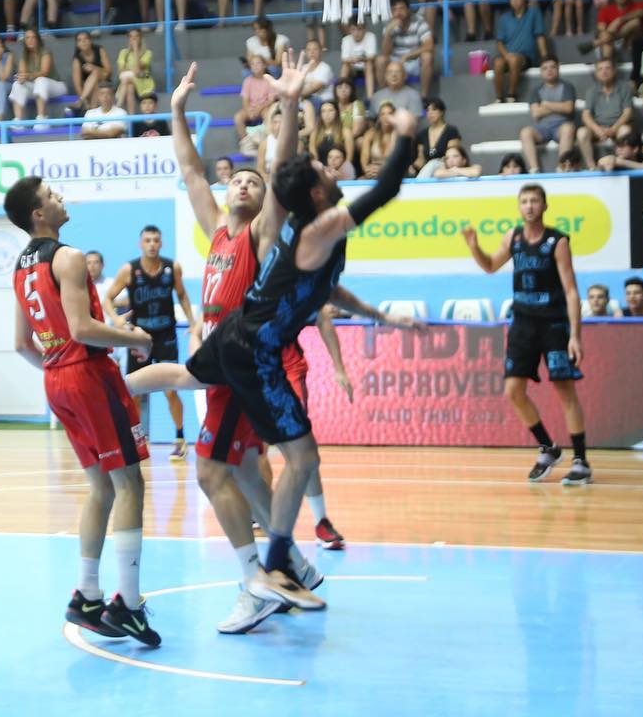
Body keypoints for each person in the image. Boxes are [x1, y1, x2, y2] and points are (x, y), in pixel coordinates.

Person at [124, 94, 422, 612]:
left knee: (237, 454)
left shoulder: (282, 231)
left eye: (254, 182)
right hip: (248, 347)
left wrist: (381, 316)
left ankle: (283, 564)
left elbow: (325, 286)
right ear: (315, 192)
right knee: (250, 462)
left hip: (240, 337)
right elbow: (383, 188)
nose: (331, 169)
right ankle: (271, 570)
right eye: (322, 170)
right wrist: (407, 134)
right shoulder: (304, 228)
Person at [167, 59, 357, 633]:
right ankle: (291, 562)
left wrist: (290, 105)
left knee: (211, 474)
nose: (245, 184)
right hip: (222, 359)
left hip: (242, 360)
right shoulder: (217, 230)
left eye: (253, 182)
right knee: (249, 471)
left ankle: (258, 581)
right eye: (237, 180)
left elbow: (280, 170)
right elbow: (191, 170)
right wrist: (176, 110)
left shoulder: (260, 231)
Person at [3, 176, 161, 648]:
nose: (61, 198)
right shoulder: (68, 257)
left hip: (56, 380)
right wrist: (135, 338)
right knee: (130, 483)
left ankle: (87, 595)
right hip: (88, 376)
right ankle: (127, 605)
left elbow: (21, 344)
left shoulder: (20, 268)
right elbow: (81, 328)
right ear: (38, 214)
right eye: (52, 196)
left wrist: (59, 369)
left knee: (101, 488)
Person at [462, 186, 591, 485]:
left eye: (534, 201)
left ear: (544, 206)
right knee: (513, 391)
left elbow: (572, 291)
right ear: (519, 207)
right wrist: (474, 247)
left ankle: (581, 461)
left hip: (554, 324)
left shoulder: (557, 241)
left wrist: (575, 335)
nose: (529, 206)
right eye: (524, 201)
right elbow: (490, 266)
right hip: (522, 324)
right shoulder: (513, 237)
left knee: (564, 390)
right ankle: (548, 447)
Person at [100, 225, 195, 459]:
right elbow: (108, 299)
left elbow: (182, 295)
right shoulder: (129, 270)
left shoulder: (172, 268)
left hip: (166, 336)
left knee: (171, 391)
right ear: (140, 244)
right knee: (135, 392)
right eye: (147, 240)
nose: (152, 244)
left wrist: (193, 323)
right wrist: (116, 320)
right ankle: (136, 440)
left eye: (155, 240)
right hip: (140, 337)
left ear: (161, 243)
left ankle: (180, 438)